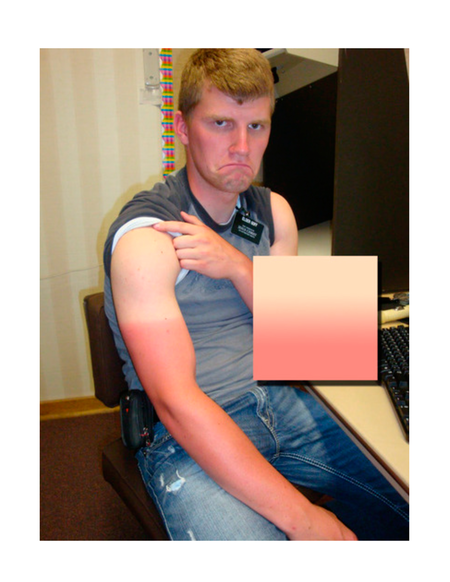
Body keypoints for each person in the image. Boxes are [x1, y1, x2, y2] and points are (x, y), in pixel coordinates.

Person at [103, 49, 409, 540]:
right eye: (221, 123)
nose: (242, 146)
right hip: (190, 435)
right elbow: (177, 403)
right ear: (182, 128)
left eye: (257, 126)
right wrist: (305, 518)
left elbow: (307, 345)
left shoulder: (274, 212)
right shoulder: (147, 239)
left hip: (285, 404)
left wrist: (238, 267)